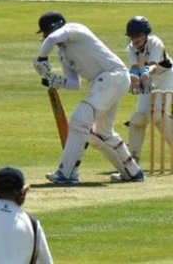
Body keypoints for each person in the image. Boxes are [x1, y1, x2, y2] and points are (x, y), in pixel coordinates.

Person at [32, 11, 145, 183]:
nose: (45, 36)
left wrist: (42, 58)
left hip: (112, 75)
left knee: (80, 119)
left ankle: (67, 173)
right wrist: (54, 80)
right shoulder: (63, 53)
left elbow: (52, 39)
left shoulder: (74, 29)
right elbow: (74, 83)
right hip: (107, 82)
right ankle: (132, 171)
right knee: (101, 133)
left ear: (54, 27)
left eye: (46, 31)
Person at [125, 15, 173, 164]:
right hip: (149, 80)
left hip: (166, 78)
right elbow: (133, 67)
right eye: (133, 37)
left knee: (158, 116)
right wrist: (133, 78)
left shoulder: (155, 42)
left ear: (146, 34)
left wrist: (145, 72)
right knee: (139, 118)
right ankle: (133, 160)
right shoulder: (131, 48)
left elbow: (152, 64)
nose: (135, 40)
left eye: (138, 36)